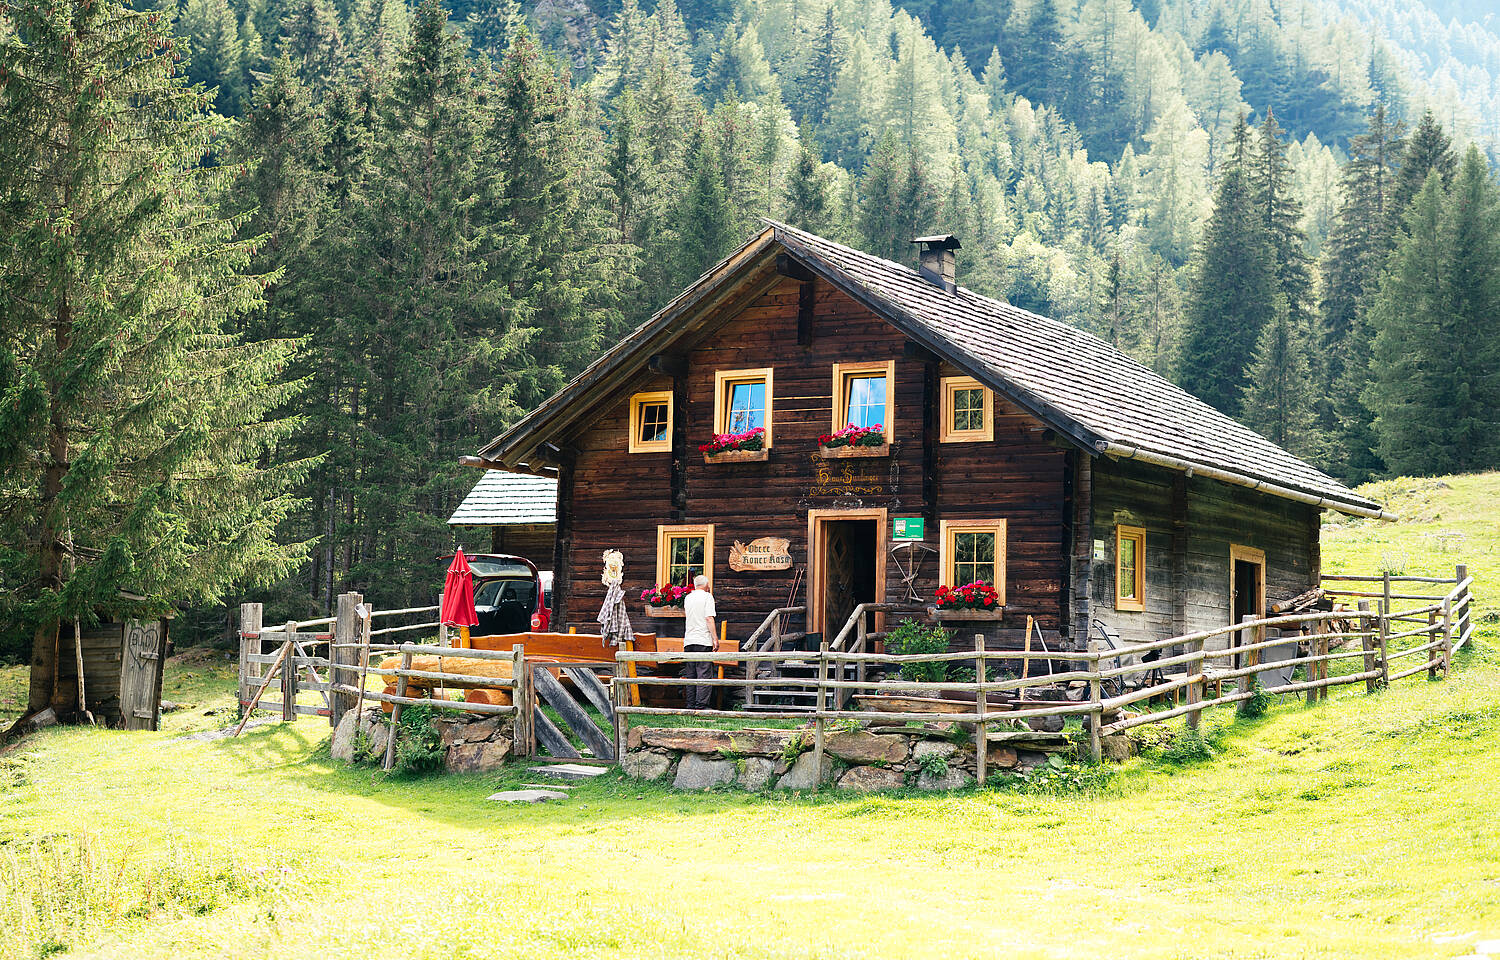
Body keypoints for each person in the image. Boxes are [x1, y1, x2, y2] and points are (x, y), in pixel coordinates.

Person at [682, 574, 717, 710]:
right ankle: (701, 706)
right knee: (704, 673)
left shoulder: (688, 598)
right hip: (703, 640)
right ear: (706, 585)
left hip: (689, 640)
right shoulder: (707, 597)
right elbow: (709, 618)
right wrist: (715, 638)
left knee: (690, 674)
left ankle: (690, 705)